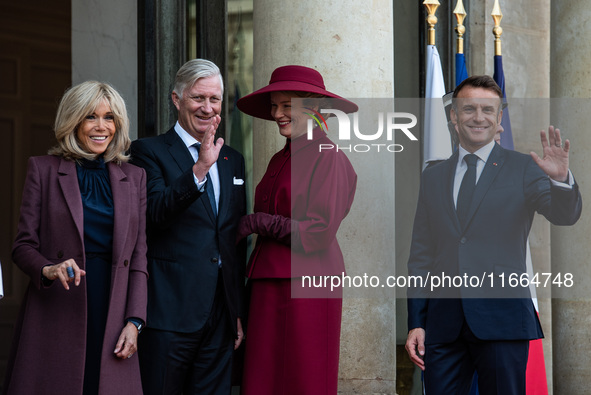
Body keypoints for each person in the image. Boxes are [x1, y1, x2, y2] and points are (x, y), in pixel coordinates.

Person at [405, 75, 582, 395]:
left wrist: (560, 181)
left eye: (488, 109)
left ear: (499, 118)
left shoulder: (524, 168)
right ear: (453, 116)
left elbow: (564, 215)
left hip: (503, 321)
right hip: (443, 326)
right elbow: (421, 255)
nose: (478, 116)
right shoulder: (433, 177)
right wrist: (417, 320)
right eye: (468, 108)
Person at [3, 81, 148, 395]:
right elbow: (22, 245)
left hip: (113, 305)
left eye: (109, 117)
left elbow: (138, 257)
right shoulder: (42, 170)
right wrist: (48, 269)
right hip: (59, 302)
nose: (101, 126)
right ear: (73, 121)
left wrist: (135, 322)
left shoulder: (135, 177)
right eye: (90, 117)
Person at [235, 65, 358, 395]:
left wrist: (257, 222)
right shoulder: (280, 158)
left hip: (309, 283)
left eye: (287, 105)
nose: (277, 114)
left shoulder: (328, 157)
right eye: (275, 106)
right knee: (262, 381)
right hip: (267, 282)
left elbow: (318, 232)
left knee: (305, 380)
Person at [130, 58, 246, 395]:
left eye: (214, 99)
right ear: (177, 99)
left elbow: (233, 242)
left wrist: (235, 311)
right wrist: (198, 170)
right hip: (169, 314)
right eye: (198, 98)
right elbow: (154, 214)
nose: (207, 108)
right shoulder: (146, 151)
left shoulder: (233, 159)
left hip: (220, 318)